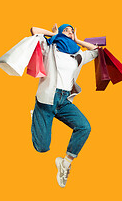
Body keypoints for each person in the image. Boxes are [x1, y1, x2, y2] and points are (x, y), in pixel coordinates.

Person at [30, 24, 99, 188]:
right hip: (47, 99)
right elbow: (34, 30)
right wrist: (53, 34)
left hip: (64, 101)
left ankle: (65, 163)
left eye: (72, 30)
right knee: (41, 148)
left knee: (84, 127)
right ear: (61, 32)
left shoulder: (78, 55)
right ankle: (37, 115)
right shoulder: (50, 47)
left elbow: (96, 50)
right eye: (66, 30)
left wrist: (78, 40)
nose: (70, 32)